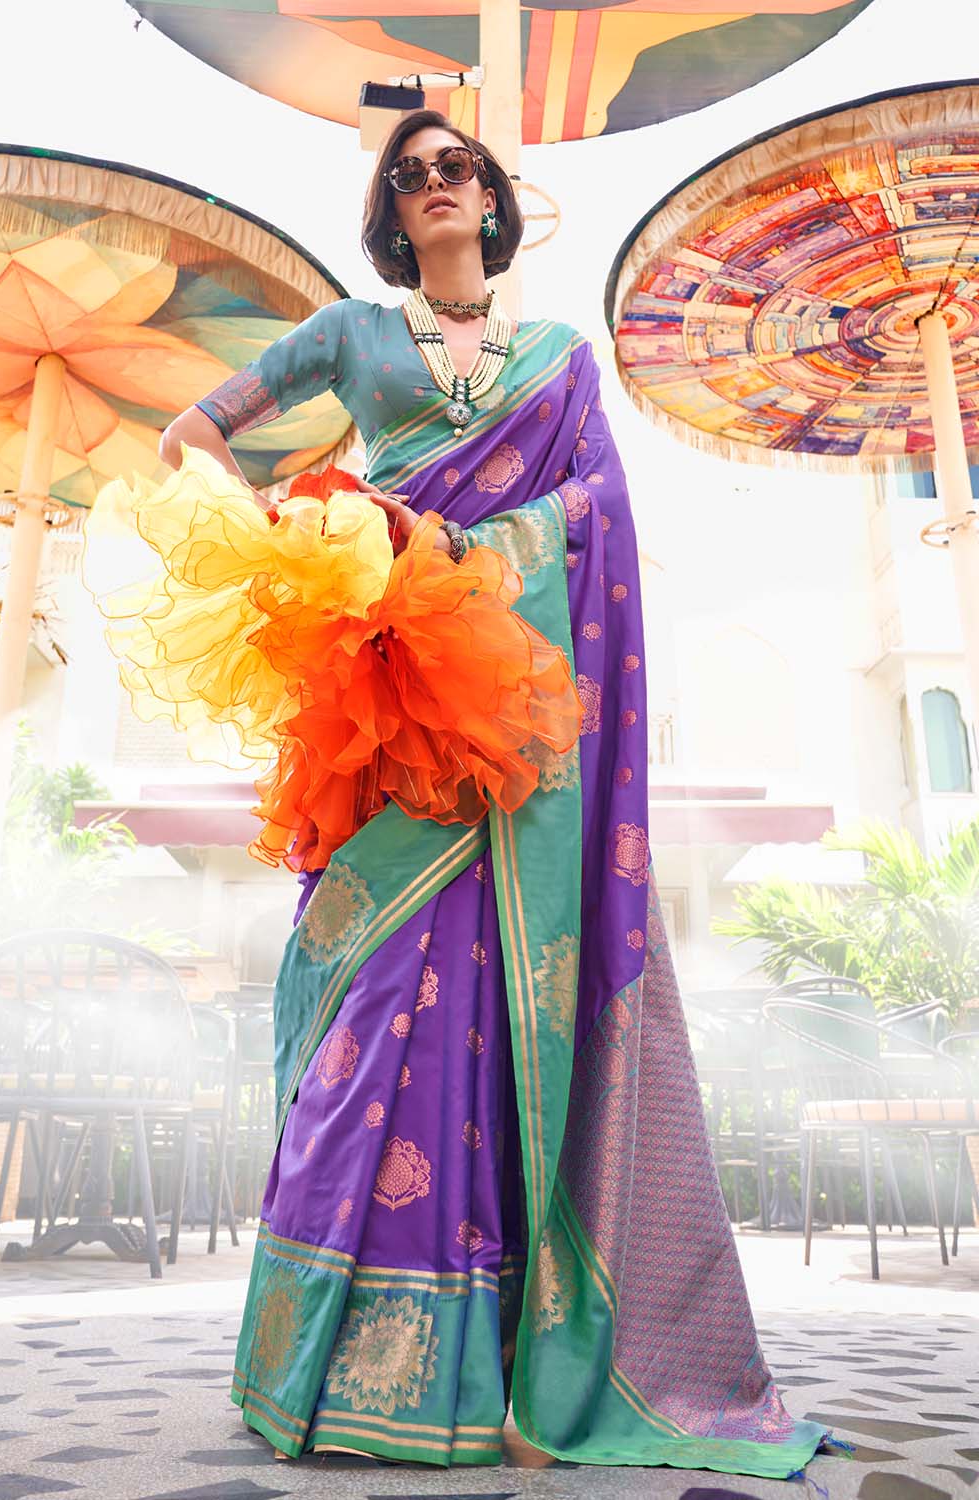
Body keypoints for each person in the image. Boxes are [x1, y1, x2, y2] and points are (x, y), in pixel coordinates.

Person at [157, 110, 827, 1479]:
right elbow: (190, 437)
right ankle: (324, 1361)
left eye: (456, 166)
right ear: (391, 213)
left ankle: (499, 1366)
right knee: (361, 1007)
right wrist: (304, 538)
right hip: (393, 709)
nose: (436, 185)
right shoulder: (350, 334)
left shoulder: (559, 358)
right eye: (408, 176)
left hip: (516, 721)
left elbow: (599, 508)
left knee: (492, 1008)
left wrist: (475, 536)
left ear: (494, 197)